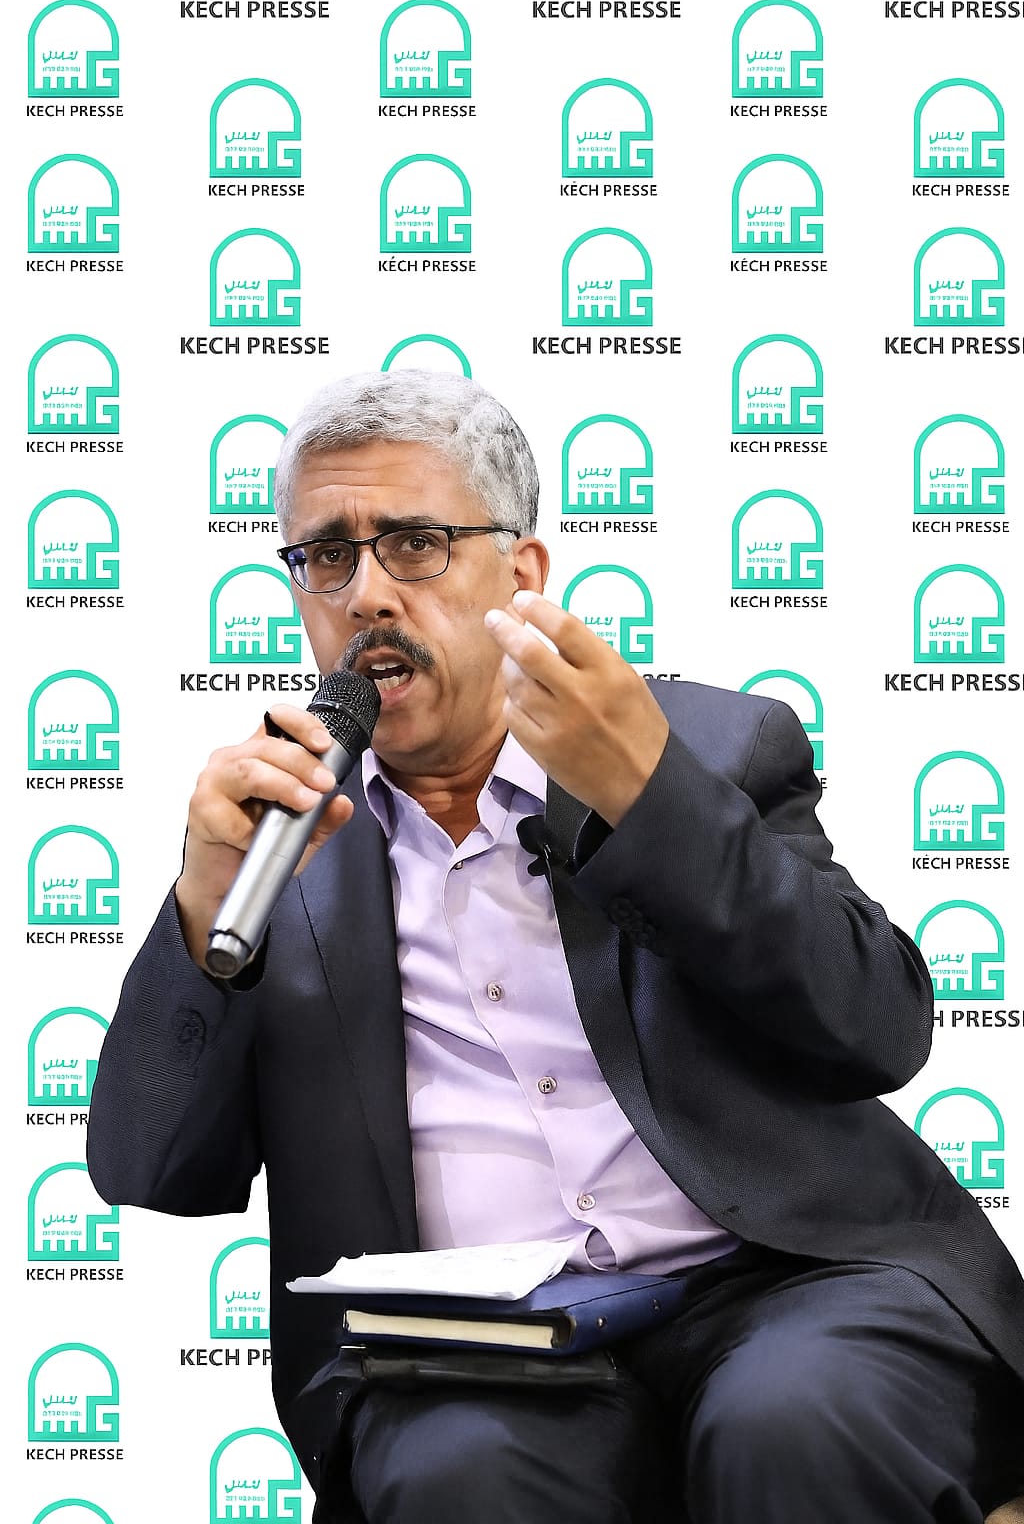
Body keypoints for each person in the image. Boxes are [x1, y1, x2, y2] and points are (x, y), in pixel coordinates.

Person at [88, 370, 1024, 1523]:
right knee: (459, 1474)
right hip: (478, 1351)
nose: (366, 593)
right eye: (325, 556)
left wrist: (650, 802)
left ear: (520, 574)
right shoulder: (273, 843)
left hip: (787, 1285)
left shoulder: (704, 747)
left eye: (415, 544)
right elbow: (145, 1169)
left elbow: (877, 1028)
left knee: (793, 1418)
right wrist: (200, 904)